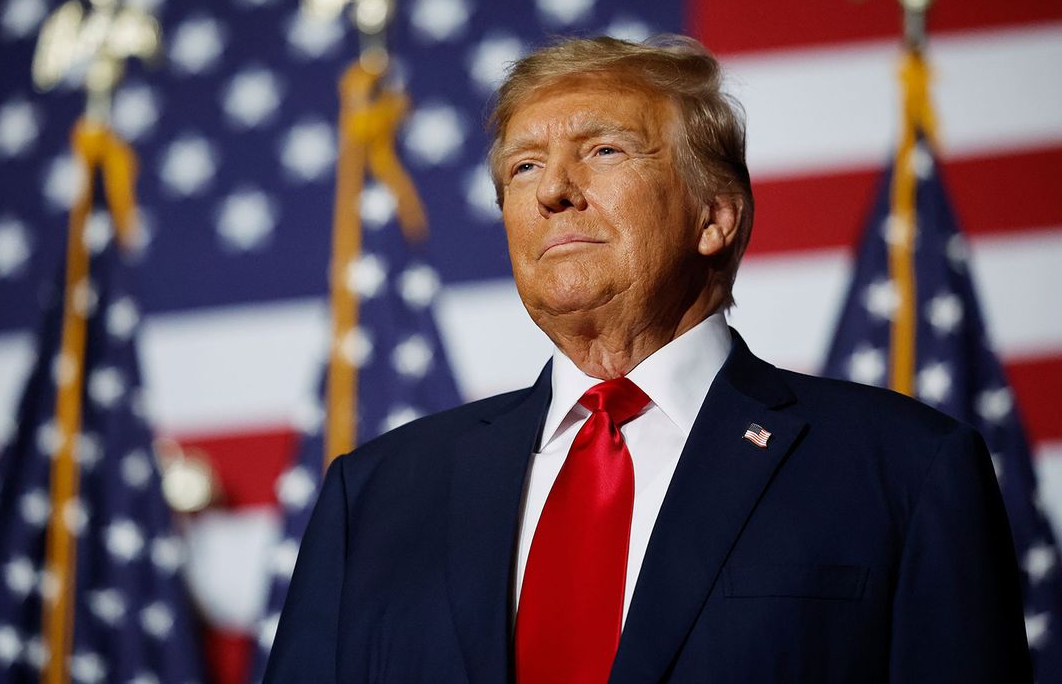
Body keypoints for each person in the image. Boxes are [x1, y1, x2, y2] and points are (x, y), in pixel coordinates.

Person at [263, 36, 1031, 683]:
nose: (554, 190)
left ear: (715, 216)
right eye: (523, 168)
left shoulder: (902, 468)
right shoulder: (375, 498)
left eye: (602, 149)